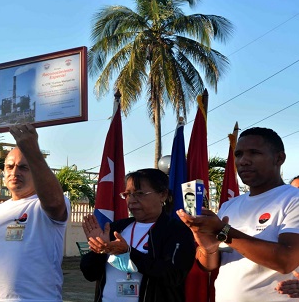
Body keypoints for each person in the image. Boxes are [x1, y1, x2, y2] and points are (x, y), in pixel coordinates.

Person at [177, 127, 299, 301]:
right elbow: (210, 266)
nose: (243, 161)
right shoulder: (229, 206)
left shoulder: (293, 199)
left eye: (254, 153)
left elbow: (286, 261)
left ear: (279, 158)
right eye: (239, 154)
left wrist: (224, 231)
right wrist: (208, 248)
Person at [0, 123, 71, 302]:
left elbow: (54, 203)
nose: (15, 172)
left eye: (24, 167)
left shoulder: (44, 205)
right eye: (10, 166)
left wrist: (33, 152)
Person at [80, 168, 196, 302]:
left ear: (162, 195)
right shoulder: (116, 228)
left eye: (139, 193)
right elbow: (89, 274)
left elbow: (173, 276)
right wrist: (98, 250)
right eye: (127, 194)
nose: (132, 200)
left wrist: (128, 253)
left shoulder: (177, 231)